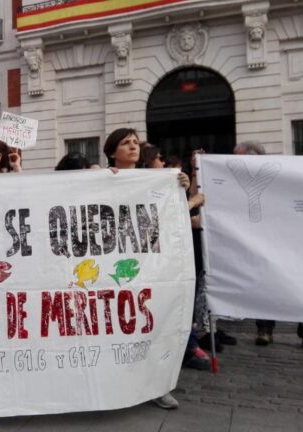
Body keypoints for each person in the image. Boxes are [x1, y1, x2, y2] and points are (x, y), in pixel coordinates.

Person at [103, 128, 192, 410]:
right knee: (113, 325)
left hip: (149, 266)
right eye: (125, 143)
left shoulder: (157, 181)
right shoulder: (99, 177)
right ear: (112, 152)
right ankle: (110, 382)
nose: (133, 146)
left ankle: (157, 385)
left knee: (148, 324)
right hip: (111, 264)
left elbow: (169, 216)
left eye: (134, 142)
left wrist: (182, 187)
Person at [234, 141, 303, 349]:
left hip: (293, 239)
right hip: (262, 241)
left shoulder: (281, 172)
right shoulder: (238, 179)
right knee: (265, 284)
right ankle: (264, 328)